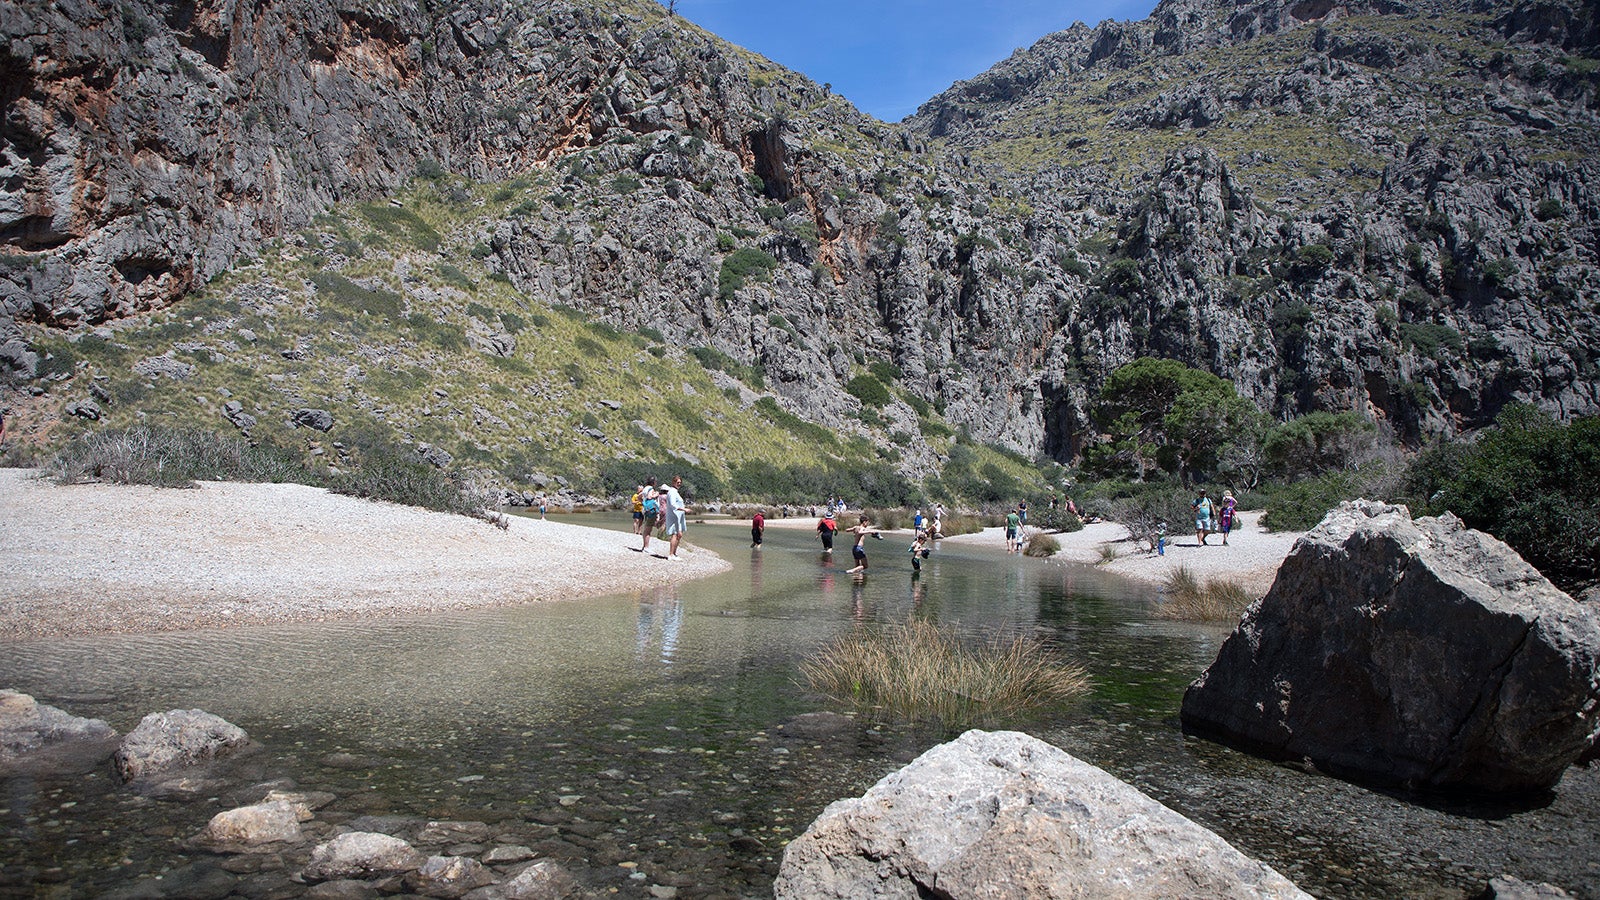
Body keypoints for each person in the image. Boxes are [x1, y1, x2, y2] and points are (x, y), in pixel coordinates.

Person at [661, 476, 689, 560]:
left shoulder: (675, 491)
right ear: (673, 482)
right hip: (674, 516)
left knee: (679, 534)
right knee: (675, 534)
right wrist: (684, 509)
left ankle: (674, 553)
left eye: (680, 482)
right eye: (678, 482)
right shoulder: (672, 492)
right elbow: (673, 504)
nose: (679, 484)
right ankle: (671, 554)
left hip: (678, 516)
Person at [640, 482, 660, 554]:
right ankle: (646, 547)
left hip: (646, 510)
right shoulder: (651, 489)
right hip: (651, 510)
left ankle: (644, 546)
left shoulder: (645, 489)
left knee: (646, 528)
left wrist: (644, 503)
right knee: (648, 529)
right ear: (654, 482)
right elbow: (649, 497)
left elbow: (639, 497)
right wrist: (656, 495)